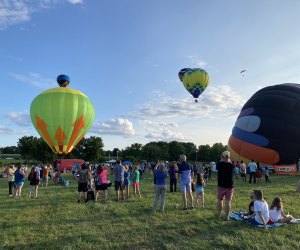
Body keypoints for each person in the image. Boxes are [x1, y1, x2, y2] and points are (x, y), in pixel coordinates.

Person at [216, 151, 235, 220]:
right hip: (229, 185)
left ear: (222, 157)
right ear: (229, 157)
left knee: (219, 200)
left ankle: (218, 215)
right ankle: (226, 217)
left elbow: (218, 165)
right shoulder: (232, 165)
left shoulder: (219, 164)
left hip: (221, 185)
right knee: (228, 201)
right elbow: (229, 163)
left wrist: (222, 159)